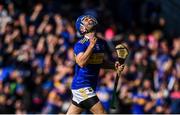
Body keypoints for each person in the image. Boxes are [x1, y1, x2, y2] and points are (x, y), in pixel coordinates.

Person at [67, 15, 125, 114]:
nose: (89, 19)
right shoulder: (81, 44)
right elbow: (81, 62)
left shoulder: (101, 42)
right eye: (85, 20)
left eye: (89, 18)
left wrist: (113, 66)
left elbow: (99, 62)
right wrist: (91, 46)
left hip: (90, 86)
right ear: (82, 28)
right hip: (82, 86)